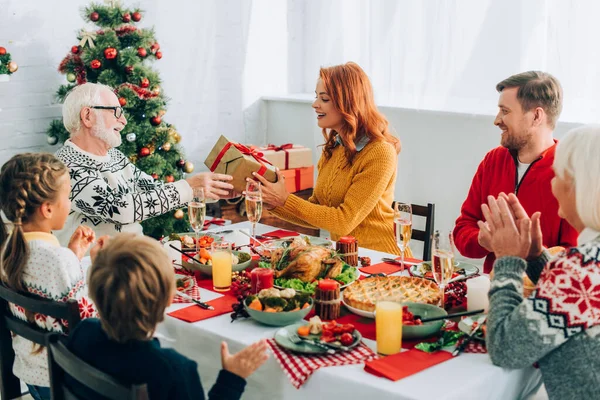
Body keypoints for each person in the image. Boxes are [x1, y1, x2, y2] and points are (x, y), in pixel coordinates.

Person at [67, 233, 269, 399]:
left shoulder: (81, 333)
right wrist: (232, 378)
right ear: (169, 298)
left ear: (94, 289)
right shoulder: (174, 369)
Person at [480, 125, 600, 400]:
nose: (552, 184)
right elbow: (578, 307)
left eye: (557, 175)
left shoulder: (581, 269)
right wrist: (536, 257)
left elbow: (506, 348)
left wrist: (508, 260)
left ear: (578, 186)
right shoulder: (586, 266)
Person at [54, 82, 235, 245]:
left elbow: (153, 190)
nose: (123, 121)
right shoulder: (66, 166)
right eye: (115, 112)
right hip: (98, 269)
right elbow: (120, 209)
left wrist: (209, 190)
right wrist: (188, 187)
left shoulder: (114, 156)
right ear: (87, 116)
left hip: (131, 258)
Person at [253, 62, 405, 255]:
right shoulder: (335, 147)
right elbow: (317, 209)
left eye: (324, 99)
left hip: (381, 259)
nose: (315, 104)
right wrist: (274, 203)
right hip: (347, 257)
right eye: (316, 97)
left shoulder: (380, 153)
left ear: (348, 102)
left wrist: (285, 199)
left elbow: (343, 221)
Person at [0, 153, 106, 400]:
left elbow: (52, 293)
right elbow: (90, 325)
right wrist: (100, 268)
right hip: (67, 384)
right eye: (67, 197)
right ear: (47, 208)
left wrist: (73, 254)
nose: (69, 203)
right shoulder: (58, 260)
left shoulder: (9, 252)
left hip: (33, 378)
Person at [453, 71, 577, 273]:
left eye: (505, 111)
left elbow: (576, 260)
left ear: (536, 116)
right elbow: (463, 229)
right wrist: (483, 240)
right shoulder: (493, 161)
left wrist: (520, 249)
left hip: (543, 297)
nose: (497, 120)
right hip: (493, 289)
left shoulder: (572, 171)